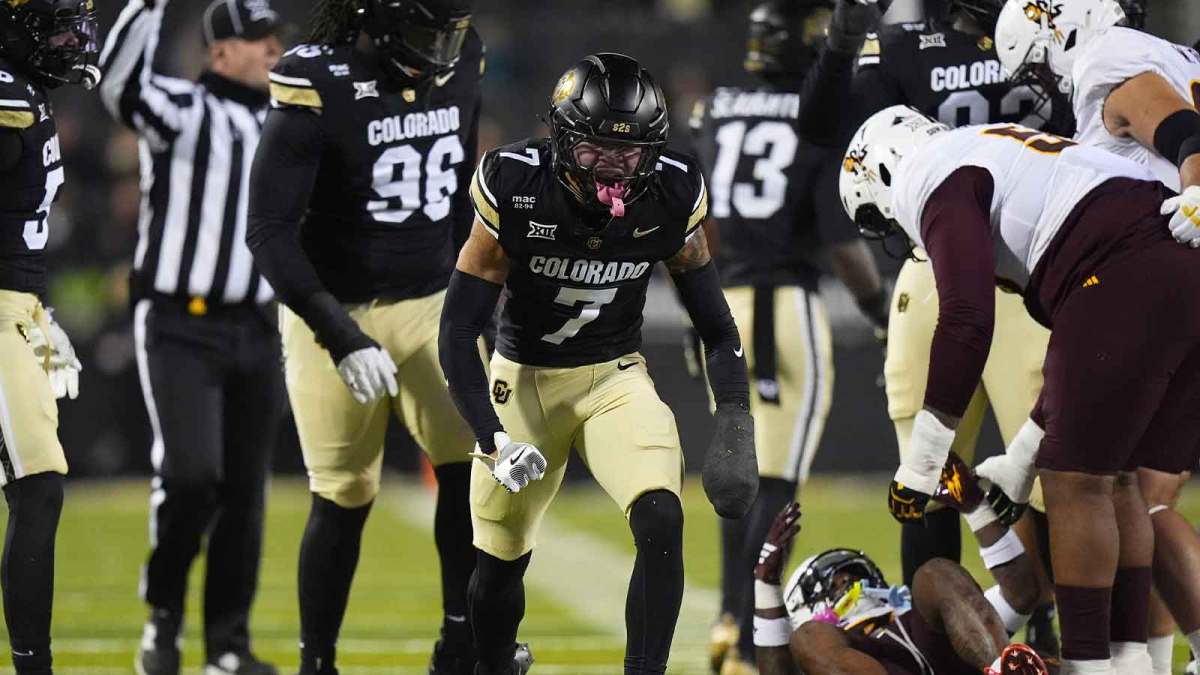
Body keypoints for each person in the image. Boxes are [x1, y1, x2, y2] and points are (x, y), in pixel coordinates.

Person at [839, 103, 1200, 675]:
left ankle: (1090, 667)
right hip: (1174, 255)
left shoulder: (928, 171)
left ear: (882, 170)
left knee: (1074, 482)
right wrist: (1019, 459)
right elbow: (1070, 370)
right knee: (1118, 476)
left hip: (1127, 266)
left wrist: (922, 463)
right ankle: (1130, 662)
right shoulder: (994, 152)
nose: (901, 230)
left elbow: (966, 320)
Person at [439, 52, 759, 675]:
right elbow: (456, 331)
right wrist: (492, 437)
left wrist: (736, 417)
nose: (612, 166)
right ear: (561, 140)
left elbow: (718, 328)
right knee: (498, 563)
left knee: (661, 516)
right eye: (594, 149)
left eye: (629, 152)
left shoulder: (670, 193)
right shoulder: (516, 183)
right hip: (524, 379)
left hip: (613, 376)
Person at [245, 1, 489, 673]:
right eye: (423, 33)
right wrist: (338, 333)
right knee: (344, 493)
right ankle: (317, 662)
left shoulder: (463, 55)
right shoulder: (317, 80)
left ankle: (462, 644)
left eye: (448, 34)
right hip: (336, 305)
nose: (439, 50)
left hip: (432, 301)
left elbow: (461, 194)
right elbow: (267, 230)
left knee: (472, 472)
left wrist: (475, 301)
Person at [848, 0, 1080, 659]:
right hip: (958, 258)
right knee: (933, 481)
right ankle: (938, 644)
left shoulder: (1042, 29)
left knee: (1054, 473)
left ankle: (1050, 629)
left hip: (1020, 259)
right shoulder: (908, 46)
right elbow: (846, 131)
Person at [994, 1, 1200, 671]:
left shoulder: (1105, 56)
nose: (1044, 83)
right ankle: (1147, 660)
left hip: (1160, 278)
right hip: (1175, 282)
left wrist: (1197, 192)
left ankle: (1115, 663)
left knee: (1097, 482)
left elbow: (1181, 129)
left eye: (1037, 64)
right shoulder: (1177, 55)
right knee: (1139, 490)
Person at [687, 1, 888, 672]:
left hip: (719, 305)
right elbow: (842, 244)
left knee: (738, 478)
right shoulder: (814, 115)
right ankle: (749, 642)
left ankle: (728, 619)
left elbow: (697, 220)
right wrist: (881, 313)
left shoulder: (716, 109)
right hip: (784, 307)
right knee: (775, 484)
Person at [98, 1, 285, 673]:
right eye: (256, 39)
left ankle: (227, 645)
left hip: (257, 325)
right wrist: (148, 6)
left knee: (245, 493)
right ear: (218, 52)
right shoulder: (181, 108)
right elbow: (119, 84)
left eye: (275, 38)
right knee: (191, 475)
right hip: (181, 323)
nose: (272, 49)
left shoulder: (286, 122)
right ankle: (164, 612)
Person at [0, 3, 96, 673]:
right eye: (57, 27)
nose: (72, 40)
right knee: (38, 487)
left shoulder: (25, 90)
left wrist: (34, 307)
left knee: (36, 487)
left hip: (18, 304)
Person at [750, 492, 1048, 675]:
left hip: (943, 651)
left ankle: (1005, 668)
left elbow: (1020, 593)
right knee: (809, 638)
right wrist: (766, 585)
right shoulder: (816, 643)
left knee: (934, 574)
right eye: (832, 583)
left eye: (853, 573)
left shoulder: (937, 622)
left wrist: (974, 505)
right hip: (849, 654)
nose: (848, 580)